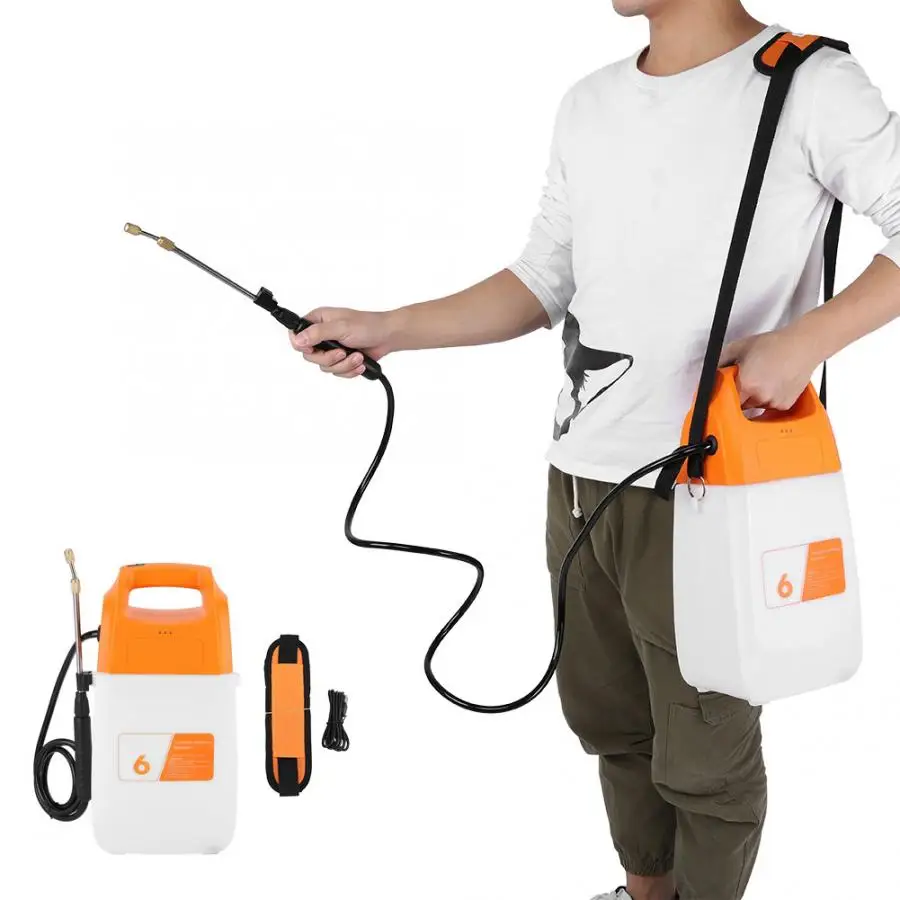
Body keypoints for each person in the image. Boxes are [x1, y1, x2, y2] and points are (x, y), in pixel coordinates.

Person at [290, 2, 900, 898]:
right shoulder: (590, 103)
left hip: (709, 486)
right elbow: (544, 278)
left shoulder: (808, 84)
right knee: (613, 725)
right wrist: (392, 327)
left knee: (706, 754)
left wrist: (805, 341)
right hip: (579, 482)